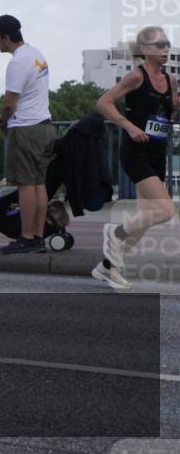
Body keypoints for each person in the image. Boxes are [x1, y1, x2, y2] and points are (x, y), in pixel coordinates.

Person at [95, 26, 178, 290]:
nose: (165, 49)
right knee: (165, 210)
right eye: (160, 45)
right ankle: (114, 233)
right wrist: (129, 126)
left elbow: (170, 114)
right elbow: (104, 102)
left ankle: (107, 268)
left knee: (143, 219)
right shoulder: (136, 77)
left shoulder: (171, 80)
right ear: (145, 50)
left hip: (156, 152)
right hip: (135, 151)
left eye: (167, 44)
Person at [0, 15, 55, 255]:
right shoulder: (37, 54)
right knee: (39, 183)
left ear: (6, 37)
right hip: (45, 126)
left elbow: (9, 103)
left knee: (25, 185)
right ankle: (38, 235)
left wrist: (3, 121)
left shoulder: (17, 62)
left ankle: (26, 237)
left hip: (25, 128)